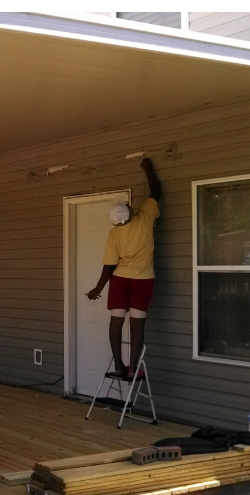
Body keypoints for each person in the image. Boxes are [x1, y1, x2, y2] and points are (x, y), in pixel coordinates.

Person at [86, 157, 162, 379]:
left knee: (116, 322)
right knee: (137, 325)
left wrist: (98, 289)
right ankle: (132, 369)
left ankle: (118, 366)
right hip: (143, 280)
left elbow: (109, 266)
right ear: (129, 210)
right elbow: (156, 193)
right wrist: (148, 170)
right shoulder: (146, 217)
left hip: (120, 280)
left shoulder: (114, 234)